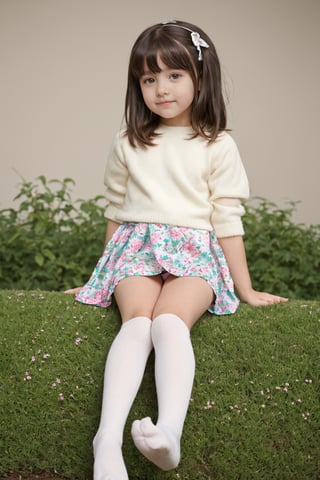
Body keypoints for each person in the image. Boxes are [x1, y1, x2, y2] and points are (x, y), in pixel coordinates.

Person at [65, 20, 288, 480]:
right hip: (136, 248)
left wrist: (244, 288)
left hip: (194, 252)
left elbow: (227, 222)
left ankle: (169, 433)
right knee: (138, 322)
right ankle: (106, 440)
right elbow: (116, 211)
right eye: (149, 79)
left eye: (173, 75)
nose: (160, 88)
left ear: (200, 77)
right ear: (138, 86)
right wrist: (99, 277)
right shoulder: (129, 140)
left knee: (169, 322)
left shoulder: (217, 145)